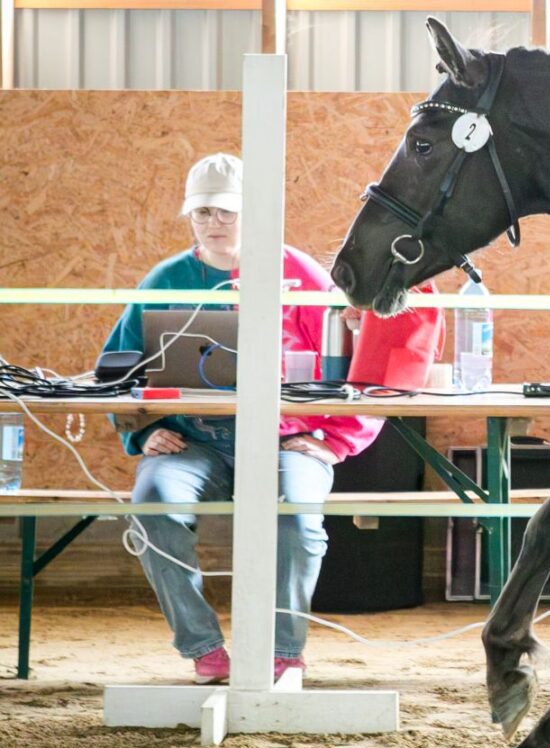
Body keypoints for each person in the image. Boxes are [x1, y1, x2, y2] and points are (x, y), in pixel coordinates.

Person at [103, 153, 384, 684]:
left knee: (299, 519)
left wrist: (335, 440)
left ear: (253, 213)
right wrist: (141, 430)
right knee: (152, 510)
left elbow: (361, 368)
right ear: (189, 215)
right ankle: (204, 649)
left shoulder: (299, 275)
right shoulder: (165, 280)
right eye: (202, 212)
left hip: (289, 440)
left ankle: (284, 654)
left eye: (226, 212)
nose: (213, 224)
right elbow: (117, 369)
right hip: (194, 441)